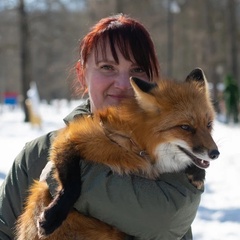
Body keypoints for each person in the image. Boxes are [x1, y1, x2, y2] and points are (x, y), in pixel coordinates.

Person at [0, 14, 203, 240]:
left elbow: (167, 221)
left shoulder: (175, 150)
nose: (124, 84)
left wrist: (69, 177)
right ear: (82, 73)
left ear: (152, 78)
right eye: (107, 67)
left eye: (137, 70)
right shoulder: (35, 156)